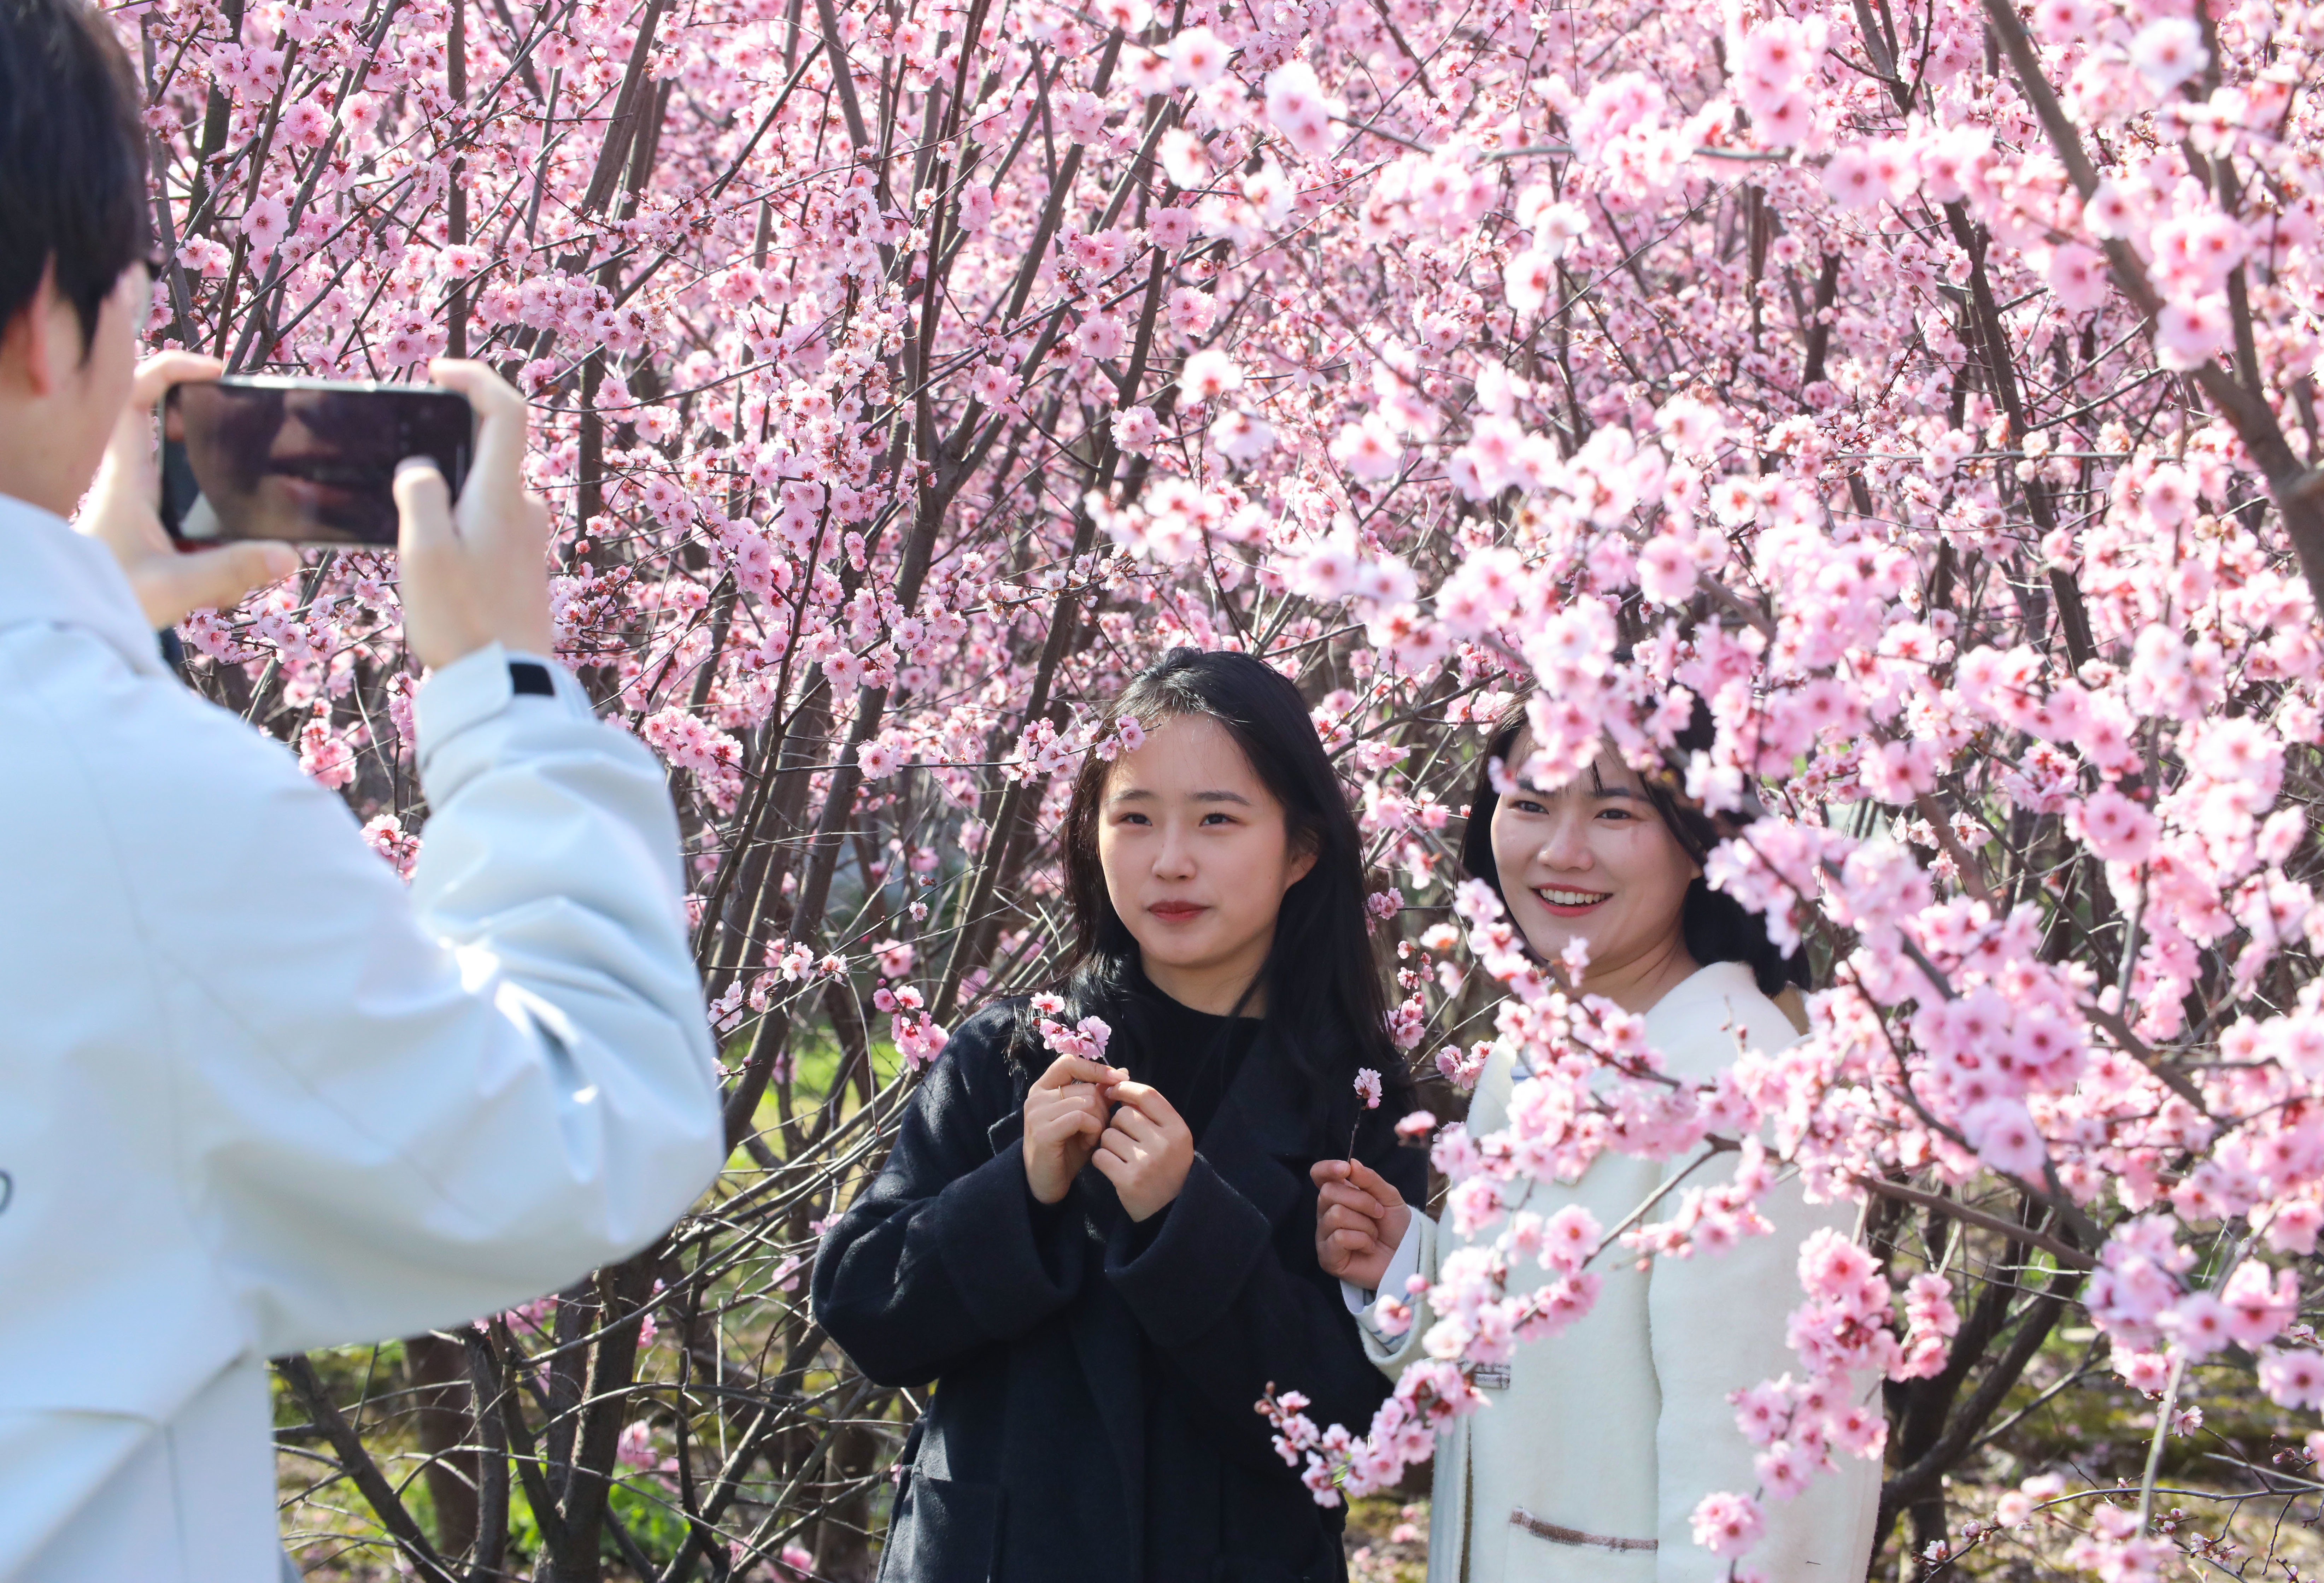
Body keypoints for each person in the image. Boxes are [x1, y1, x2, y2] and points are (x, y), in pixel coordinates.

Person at [0, 1, 724, 1577]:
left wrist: (82, 610)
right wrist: (504, 692)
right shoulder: (135, 813)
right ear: (50, 323)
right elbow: (588, 1119)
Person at [812, 649, 1424, 1583]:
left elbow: (1350, 1430)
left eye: (1217, 819)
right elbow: (865, 1311)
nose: (1170, 860)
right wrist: (1019, 1189)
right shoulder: (1013, 1054)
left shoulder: (1357, 1102)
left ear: (1301, 849)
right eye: (1134, 817)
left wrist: (1186, 1223)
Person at [1313, 700, 1881, 1582]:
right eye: (1530, 803)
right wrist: (1416, 1275)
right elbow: (1551, 1385)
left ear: (1701, 838)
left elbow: (1757, 1508)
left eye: (1615, 811)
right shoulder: (1532, 1053)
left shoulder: (1741, 1096)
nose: (1562, 850)